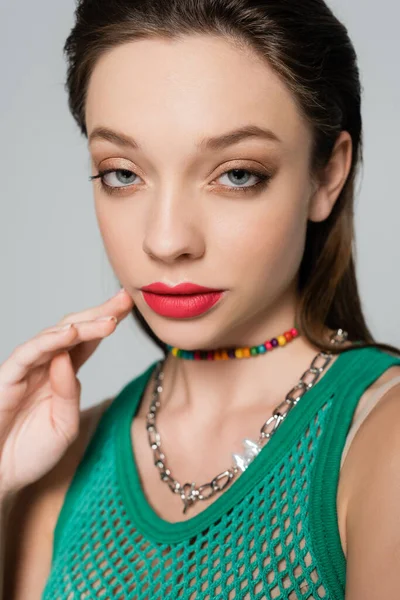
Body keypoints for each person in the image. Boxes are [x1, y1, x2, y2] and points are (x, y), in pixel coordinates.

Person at [2, 0, 400, 598]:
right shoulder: (55, 457)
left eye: (236, 174)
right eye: (122, 173)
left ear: (327, 176)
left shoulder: (380, 445)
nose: (166, 241)